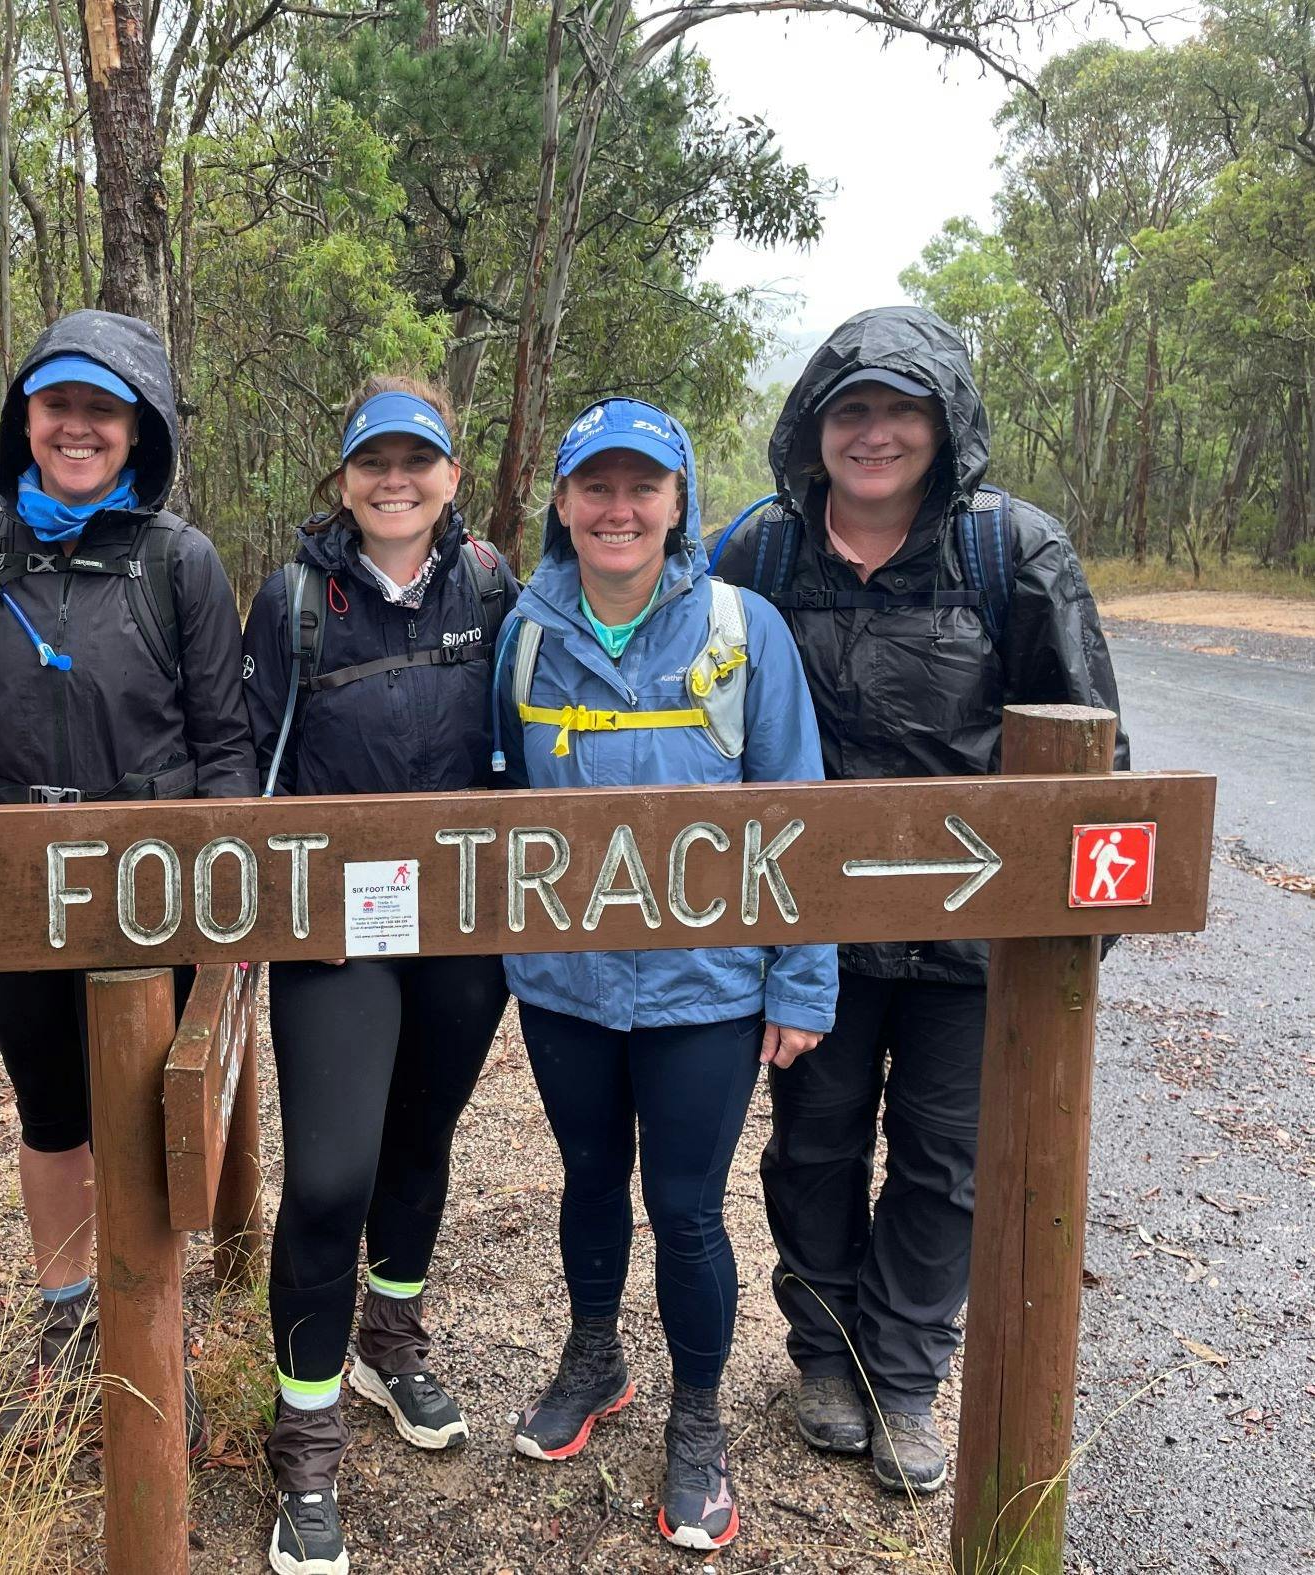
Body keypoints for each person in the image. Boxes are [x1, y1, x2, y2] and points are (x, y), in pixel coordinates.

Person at [711, 306, 1125, 1495]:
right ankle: (826, 1356)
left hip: (972, 939)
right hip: (817, 938)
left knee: (946, 1159)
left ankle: (903, 1378)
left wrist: (1074, 941)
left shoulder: (1013, 554)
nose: (876, 434)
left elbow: (1094, 760)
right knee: (815, 1149)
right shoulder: (761, 555)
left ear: (944, 428)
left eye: (902, 411)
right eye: (853, 410)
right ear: (816, 429)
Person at [493, 397, 837, 1552]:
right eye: (597, 487)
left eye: (643, 488)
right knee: (589, 1180)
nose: (619, 509)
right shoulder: (526, 629)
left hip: (709, 988)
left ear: (679, 502)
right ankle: (595, 1358)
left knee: (687, 1211)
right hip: (565, 986)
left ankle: (699, 1425)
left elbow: (798, 809)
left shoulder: (747, 629)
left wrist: (803, 980)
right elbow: (493, 810)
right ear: (563, 504)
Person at [0, 309, 254, 1441]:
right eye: (58, 406)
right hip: (13, 885)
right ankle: (69, 1318)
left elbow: (225, 740)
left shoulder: (183, 561)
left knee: (141, 1113)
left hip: (151, 884)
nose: (78, 428)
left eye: (102, 411)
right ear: (27, 420)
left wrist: (222, 897)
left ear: (139, 432)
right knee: (52, 1111)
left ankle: (147, 1320)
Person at [241, 376, 518, 1575]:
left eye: (419, 462)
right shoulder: (296, 599)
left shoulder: (500, 590)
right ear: (343, 478)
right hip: (333, 931)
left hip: (463, 924)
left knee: (421, 1138)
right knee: (330, 1173)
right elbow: (251, 763)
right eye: (373, 464)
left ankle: (388, 1335)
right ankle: (305, 1433)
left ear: (453, 477)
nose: (395, 482)